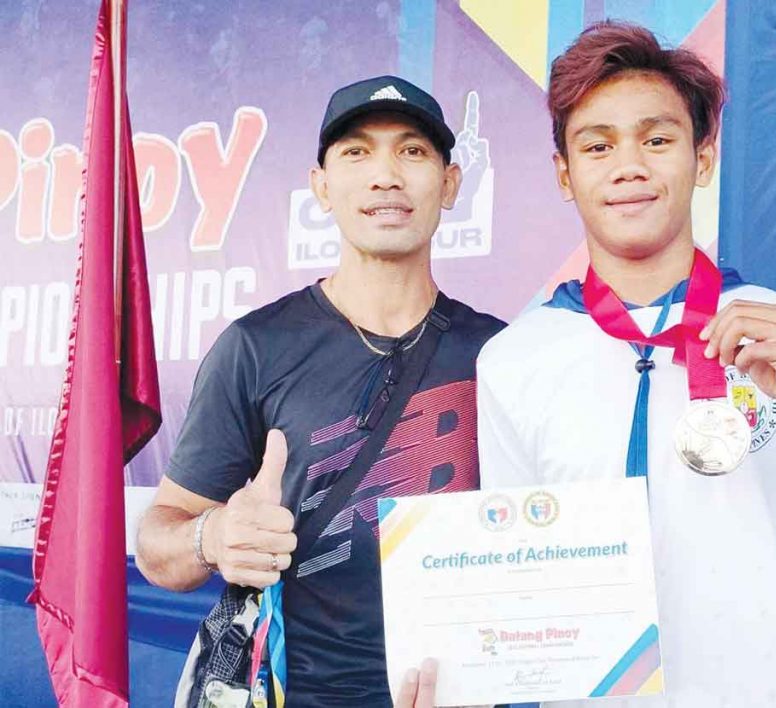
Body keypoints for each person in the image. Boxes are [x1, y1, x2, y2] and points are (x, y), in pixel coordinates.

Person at [476, 22, 776, 707]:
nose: (629, 166)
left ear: (702, 158)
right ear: (565, 175)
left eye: (657, 139)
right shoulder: (514, 360)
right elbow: (516, 591)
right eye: (598, 145)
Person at [136, 75, 504, 706]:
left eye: (412, 151)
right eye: (357, 152)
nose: (386, 175)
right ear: (321, 187)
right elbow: (157, 546)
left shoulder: (501, 356)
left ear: (449, 185)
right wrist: (216, 537)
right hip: (290, 690)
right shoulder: (255, 347)